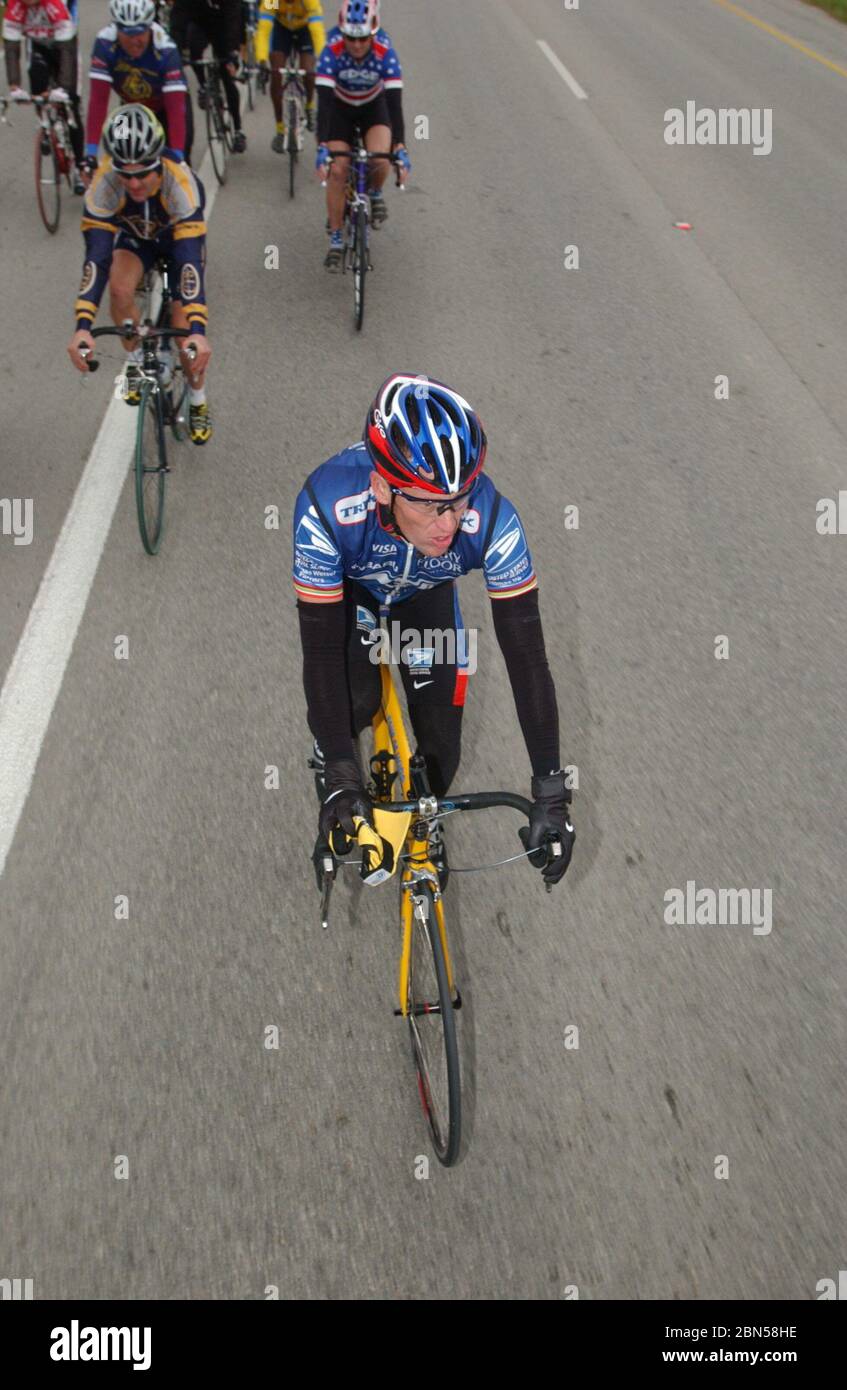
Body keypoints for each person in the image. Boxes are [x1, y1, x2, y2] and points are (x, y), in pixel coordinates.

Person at [292, 374, 575, 889]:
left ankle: (421, 825)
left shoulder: (491, 518)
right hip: (353, 595)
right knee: (350, 701)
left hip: (425, 598)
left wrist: (551, 790)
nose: (448, 522)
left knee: (444, 750)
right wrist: (339, 771)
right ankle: (332, 760)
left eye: (458, 499)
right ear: (381, 487)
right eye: (427, 503)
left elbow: (528, 660)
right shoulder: (325, 507)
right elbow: (319, 652)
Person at [66, 104, 214, 446]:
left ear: (158, 163)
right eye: (125, 173)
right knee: (119, 289)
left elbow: (190, 264)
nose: (133, 183)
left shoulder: (180, 185)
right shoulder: (104, 185)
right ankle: (134, 360)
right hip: (136, 239)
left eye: (142, 173)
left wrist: (196, 332)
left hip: (177, 239)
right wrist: (83, 327)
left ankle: (198, 398)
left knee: (184, 334)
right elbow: (96, 260)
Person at [314, 0, 409, 270]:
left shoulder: (385, 50)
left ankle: (375, 191)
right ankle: (335, 236)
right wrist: (322, 146)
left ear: (373, 33)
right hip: (340, 108)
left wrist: (400, 146)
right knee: (338, 169)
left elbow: (394, 104)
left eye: (362, 39)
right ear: (342, 33)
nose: (356, 46)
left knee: (380, 159)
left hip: (373, 107)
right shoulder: (331, 49)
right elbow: (324, 104)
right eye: (350, 39)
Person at [84, 0, 193, 175]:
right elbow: (98, 101)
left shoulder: (166, 48)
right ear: (117, 29)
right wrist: (90, 154)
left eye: (140, 33)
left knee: (176, 169)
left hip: (165, 108)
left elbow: (175, 111)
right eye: (127, 34)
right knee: (120, 160)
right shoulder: (104, 43)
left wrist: (178, 158)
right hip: (129, 108)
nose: (134, 41)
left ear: (150, 27)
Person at [2, 0, 85, 191]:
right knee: (38, 85)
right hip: (38, 48)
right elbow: (12, 48)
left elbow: (67, 51)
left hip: (63, 46)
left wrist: (64, 88)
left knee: (71, 103)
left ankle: (80, 167)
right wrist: (14, 86)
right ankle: (45, 125)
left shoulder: (54, 4)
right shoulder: (15, 6)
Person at [168, 0, 246, 153]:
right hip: (200, 25)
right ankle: (203, 85)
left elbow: (233, 21)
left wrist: (232, 54)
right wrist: (175, 52)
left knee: (227, 78)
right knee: (194, 48)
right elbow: (178, 20)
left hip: (225, 26)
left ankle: (238, 130)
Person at [256, 0, 326, 150]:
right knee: (276, 72)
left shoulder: (308, 1)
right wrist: (261, 59)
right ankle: (280, 129)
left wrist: (324, 59)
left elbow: (317, 31)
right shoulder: (272, 2)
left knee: (308, 70)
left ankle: (309, 105)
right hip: (282, 29)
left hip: (305, 29)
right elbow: (263, 29)